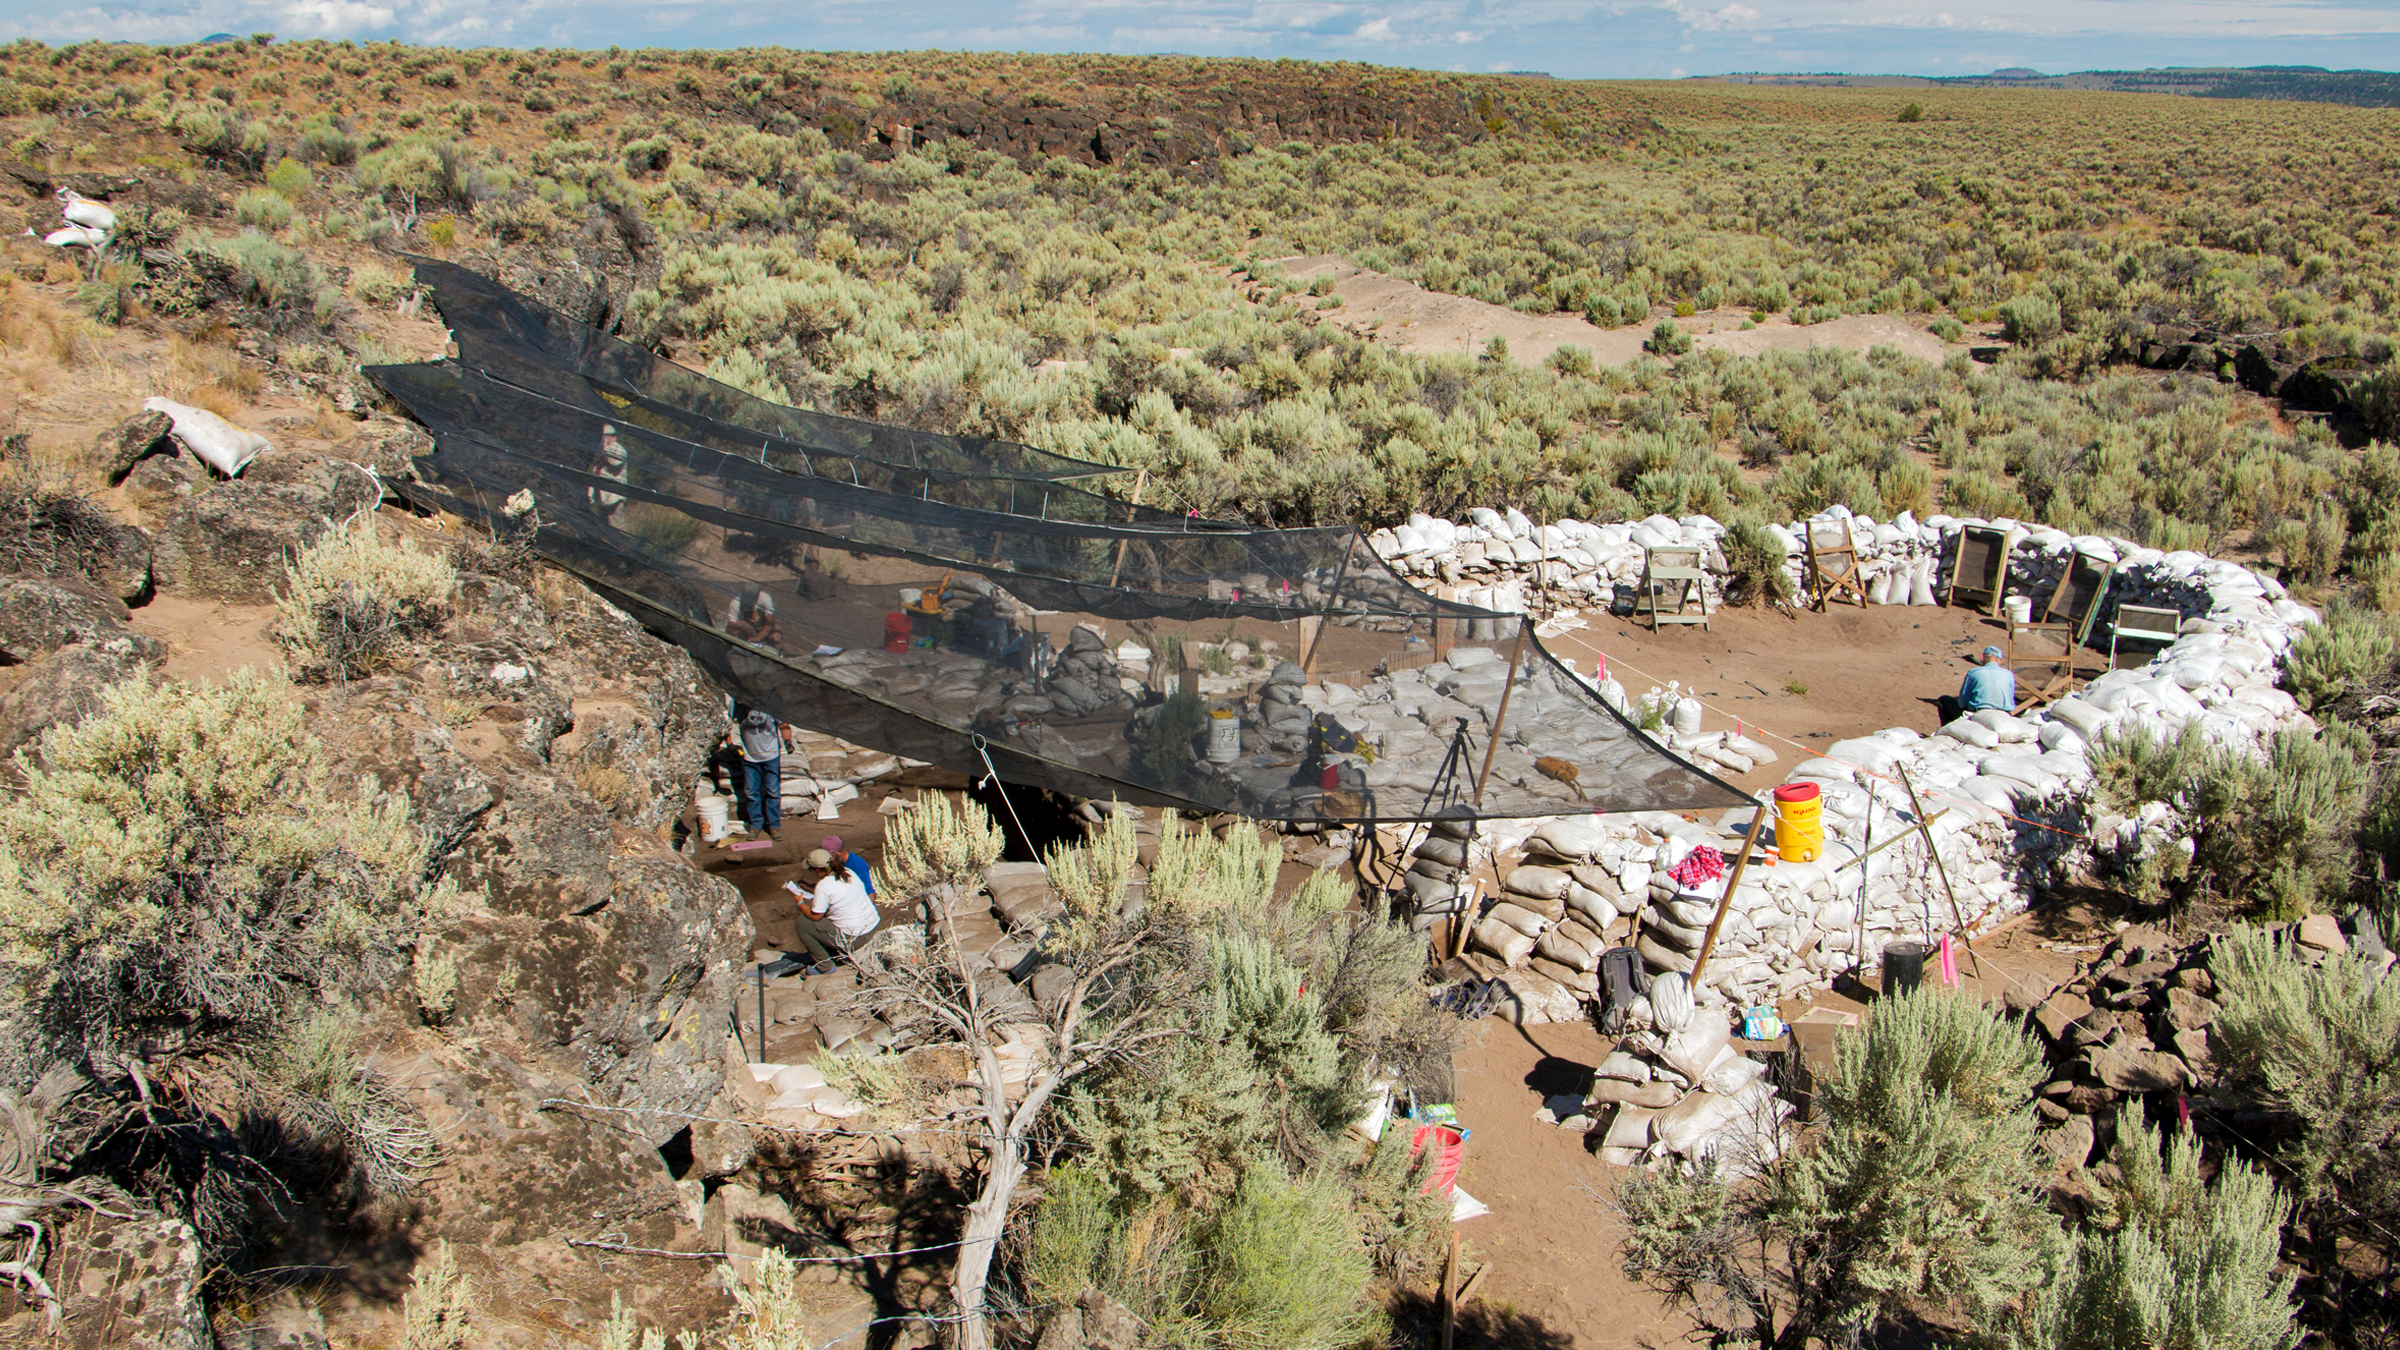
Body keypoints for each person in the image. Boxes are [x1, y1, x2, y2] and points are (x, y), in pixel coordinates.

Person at [786, 849, 880, 968]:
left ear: (817, 869)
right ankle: (832, 951)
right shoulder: (848, 872)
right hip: (871, 927)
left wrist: (800, 903)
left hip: (855, 938)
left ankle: (824, 966)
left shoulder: (824, 886)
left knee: (802, 924)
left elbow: (815, 916)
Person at [730, 697, 783, 840]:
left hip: (771, 756)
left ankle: (774, 826)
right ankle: (755, 825)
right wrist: (730, 744)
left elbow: (784, 725)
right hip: (749, 758)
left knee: (773, 791)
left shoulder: (771, 703)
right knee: (751, 792)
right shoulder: (737, 705)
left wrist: (788, 741)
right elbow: (727, 724)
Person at [1941, 645, 2016, 725]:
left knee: (1944, 700)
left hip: (1978, 712)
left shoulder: (1973, 673)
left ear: (1982, 658)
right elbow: (2010, 699)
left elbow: (1962, 703)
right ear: (2000, 661)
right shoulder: (2009, 675)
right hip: (2004, 713)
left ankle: (1948, 730)